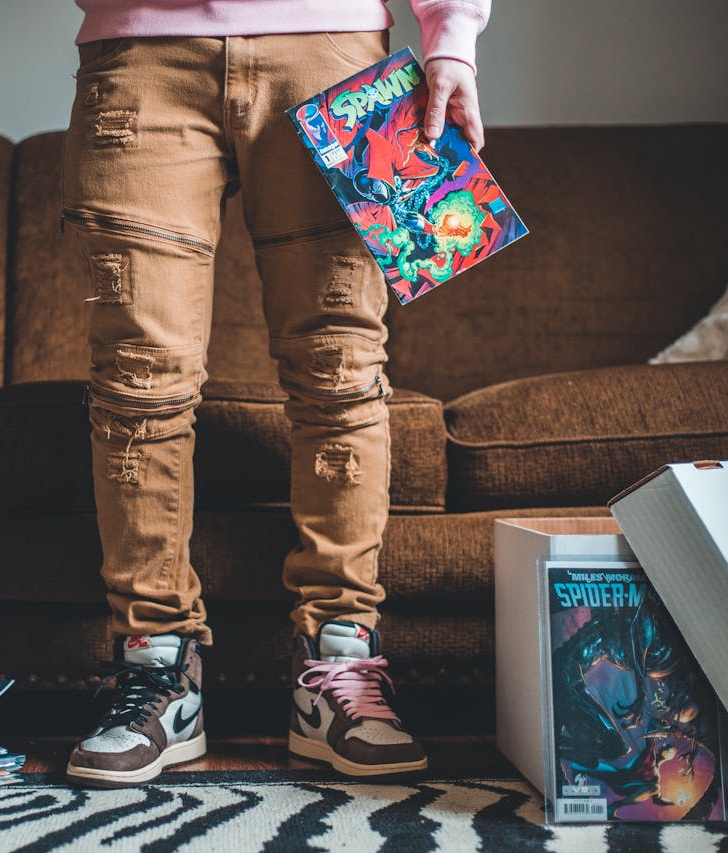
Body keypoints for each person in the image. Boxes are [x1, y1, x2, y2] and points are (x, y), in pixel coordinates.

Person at [61, 0, 490, 788]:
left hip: (331, 49)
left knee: (342, 372)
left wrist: (451, 33)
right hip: (140, 56)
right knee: (136, 386)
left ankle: (338, 662)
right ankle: (157, 666)